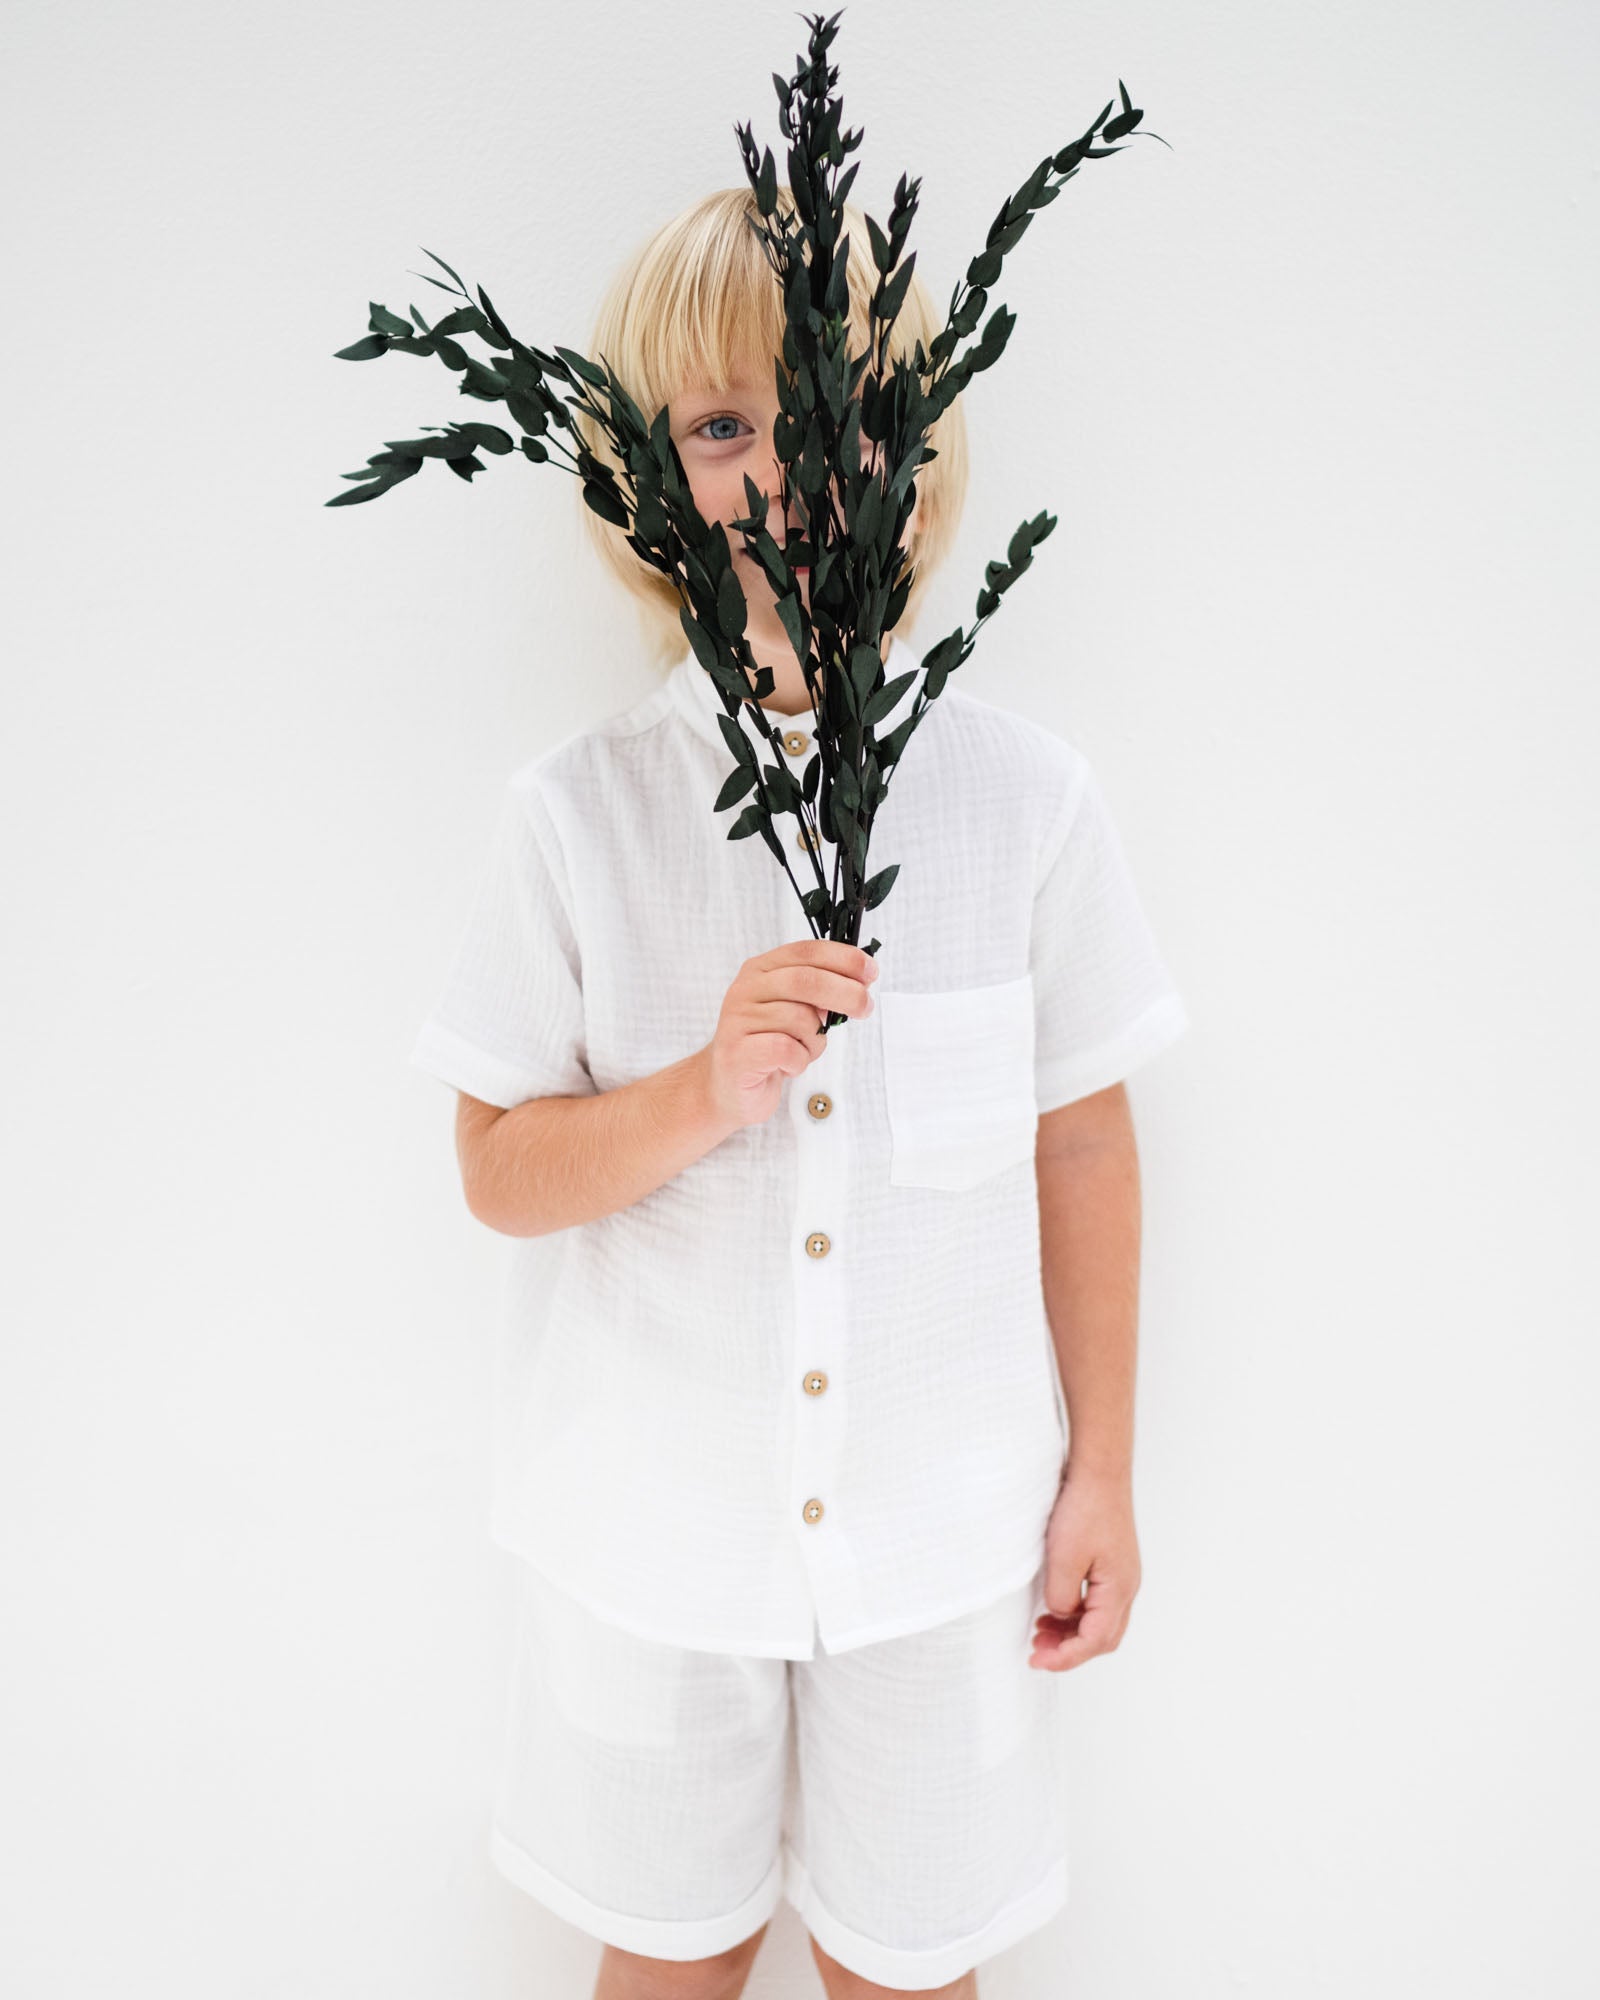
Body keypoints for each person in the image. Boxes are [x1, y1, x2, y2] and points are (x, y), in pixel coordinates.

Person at [410, 186, 1190, 2000]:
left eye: (832, 408)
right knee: (671, 1957)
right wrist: (701, 1090)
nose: (783, 469)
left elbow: (1083, 1139)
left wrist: (1105, 1474)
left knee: (911, 1966)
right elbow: (497, 1170)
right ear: (647, 477)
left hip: (944, 1545)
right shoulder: (578, 817)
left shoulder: (1025, 802)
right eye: (720, 423)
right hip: (655, 1542)